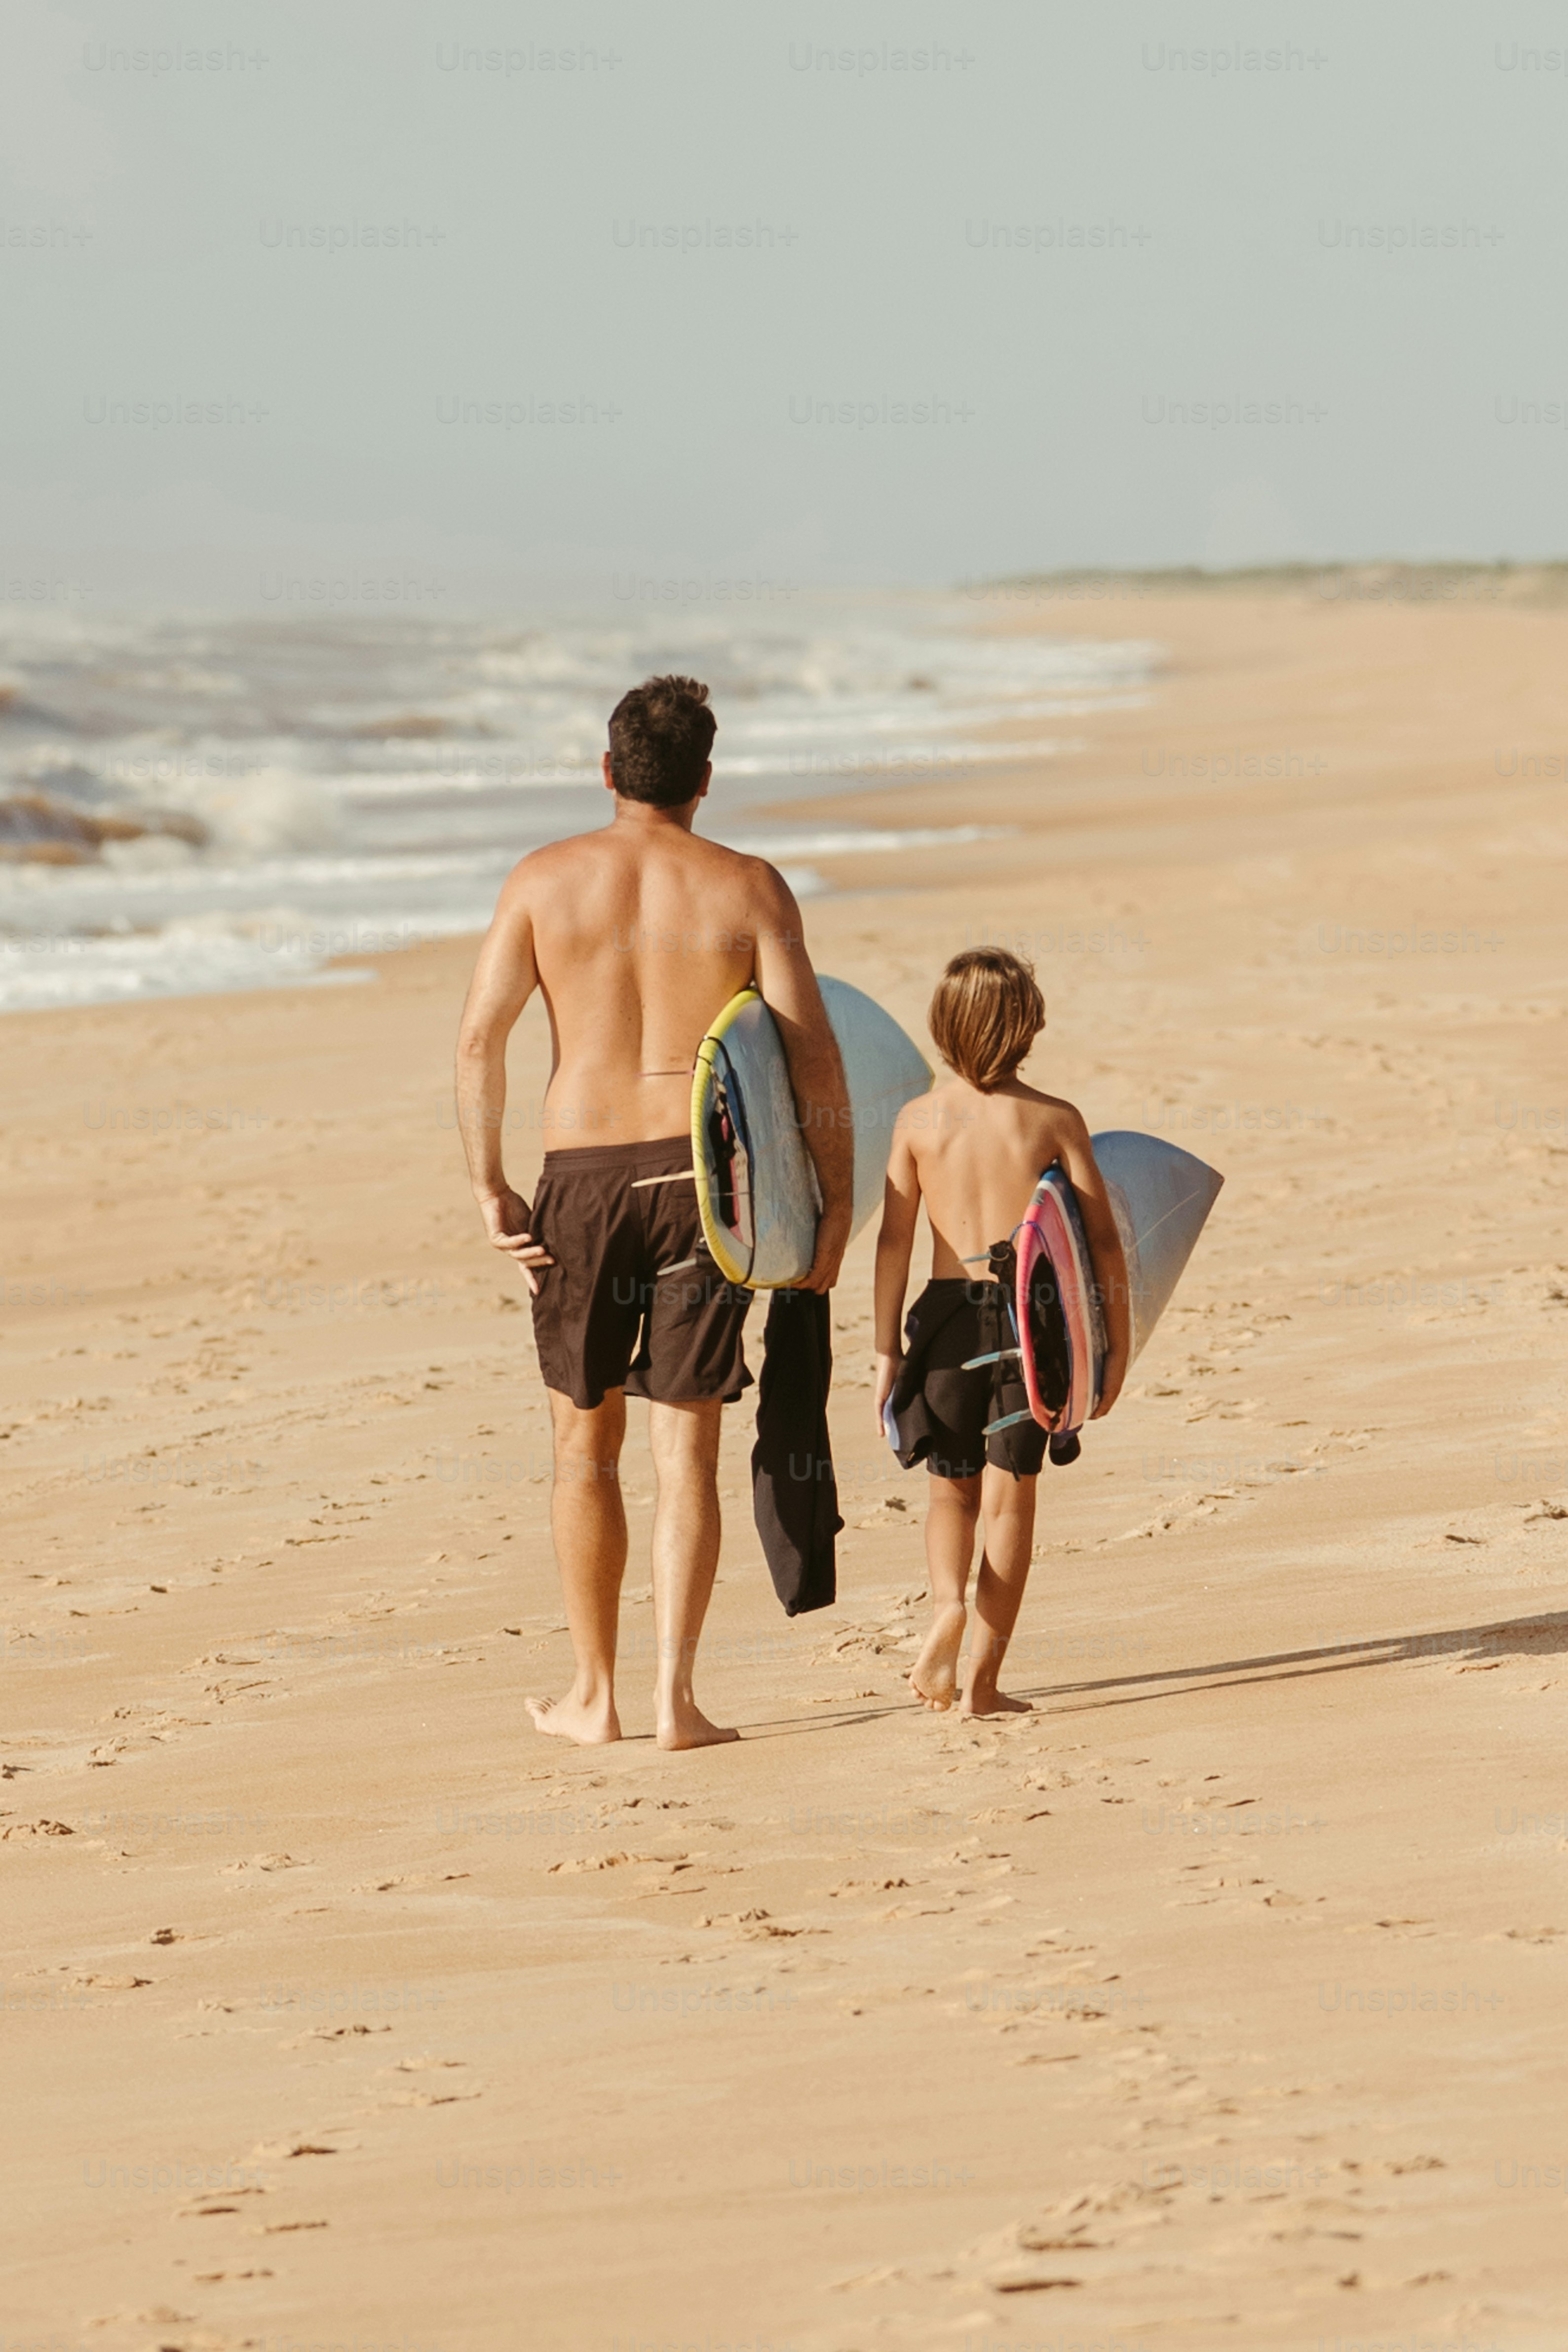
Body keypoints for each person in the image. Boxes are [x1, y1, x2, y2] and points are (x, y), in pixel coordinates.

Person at [454, 676, 851, 1750]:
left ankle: (596, 1696)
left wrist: (490, 1182)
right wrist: (833, 1201)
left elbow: (480, 1041)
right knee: (687, 1453)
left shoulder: (542, 881)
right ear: (704, 781)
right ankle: (676, 1699)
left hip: (580, 1181)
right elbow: (811, 1053)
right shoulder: (748, 888)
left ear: (606, 770)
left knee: (584, 1451)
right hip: (702, 1183)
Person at [871, 948, 1129, 1716]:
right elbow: (1104, 1243)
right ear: (1028, 1026)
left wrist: (885, 1348)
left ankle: (947, 1604)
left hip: (948, 1322)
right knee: (1009, 1500)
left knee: (948, 1492)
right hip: (1029, 1330)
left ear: (942, 1027)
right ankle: (982, 1683)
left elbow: (892, 1241)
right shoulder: (1054, 1119)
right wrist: (1110, 1347)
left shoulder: (918, 1121)